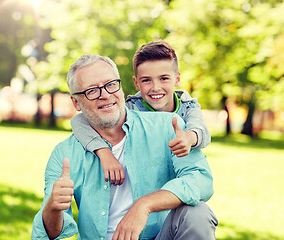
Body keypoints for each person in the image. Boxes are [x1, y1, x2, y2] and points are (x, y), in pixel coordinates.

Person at [31, 54, 217, 240]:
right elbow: (49, 234)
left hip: (159, 236)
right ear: (76, 102)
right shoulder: (65, 154)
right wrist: (53, 208)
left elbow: (201, 179)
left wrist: (145, 205)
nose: (105, 94)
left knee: (197, 213)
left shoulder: (168, 126)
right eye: (92, 91)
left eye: (110, 84)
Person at [71, 40, 210, 185]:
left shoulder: (188, 106)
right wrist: (103, 152)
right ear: (136, 83)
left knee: (197, 206)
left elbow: (200, 130)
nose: (155, 87)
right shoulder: (131, 108)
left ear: (177, 79)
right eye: (146, 80)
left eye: (164, 78)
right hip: (147, 183)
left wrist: (190, 138)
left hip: (180, 181)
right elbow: (78, 121)